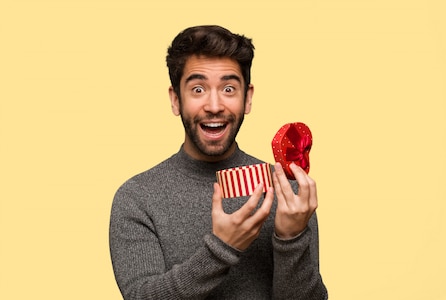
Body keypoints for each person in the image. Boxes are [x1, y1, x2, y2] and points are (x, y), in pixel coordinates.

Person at [109, 25, 328, 299]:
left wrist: (291, 238)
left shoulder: (289, 193)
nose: (214, 105)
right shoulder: (137, 198)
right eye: (198, 89)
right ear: (176, 99)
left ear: (247, 98)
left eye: (228, 88)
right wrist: (221, 249)